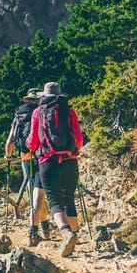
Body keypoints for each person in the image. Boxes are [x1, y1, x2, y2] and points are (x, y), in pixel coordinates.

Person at [26, 82, 84, 257]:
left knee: (54, 201)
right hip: (70, 160)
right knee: (69, 199)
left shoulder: (38, 112)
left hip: (47, 162)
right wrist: (73, 151)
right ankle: (73, 238)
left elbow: (32, 141)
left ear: (44, 96)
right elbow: (79, 139)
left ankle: (66, 232)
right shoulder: (69, 111)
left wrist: (32, 149)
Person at [4, 88, 51, 247]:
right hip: (42, 156)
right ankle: (36, 230)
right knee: (39, 193)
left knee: (36, 192)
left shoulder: (19, 115)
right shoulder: (42, 112)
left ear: (27, 99)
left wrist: (8, 156)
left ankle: (44, 227)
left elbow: (10, 140)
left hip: (26, 157)